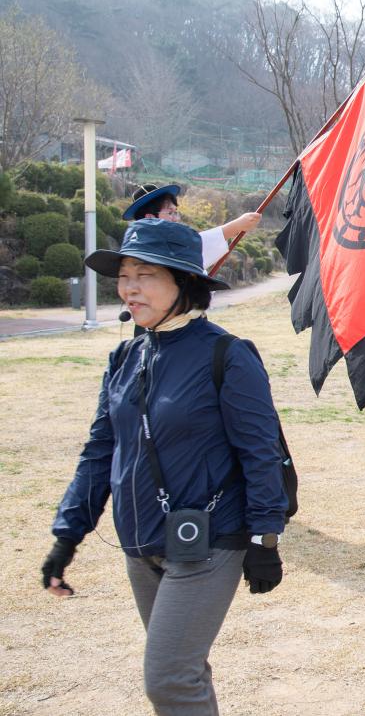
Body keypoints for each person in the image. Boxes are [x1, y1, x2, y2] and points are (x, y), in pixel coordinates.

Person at [40, 219, 288, 714]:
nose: (129, 287)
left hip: (210, 540)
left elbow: (262, 454)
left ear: (184, 283)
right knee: (184, 671)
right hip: (140, 543)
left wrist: (265, 540)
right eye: (124, 275)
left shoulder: (227, 355)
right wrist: (67, 536)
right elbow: (99, 453)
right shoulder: (124, 356)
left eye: (145, 274)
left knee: (168, 678)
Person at [124, 184, 262, 270]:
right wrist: (237, 225)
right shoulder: (146, 252)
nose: (176, 218)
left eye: (176, 212)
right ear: (149, 218)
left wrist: (238, 225)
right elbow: (198, 245)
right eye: (170, 213)